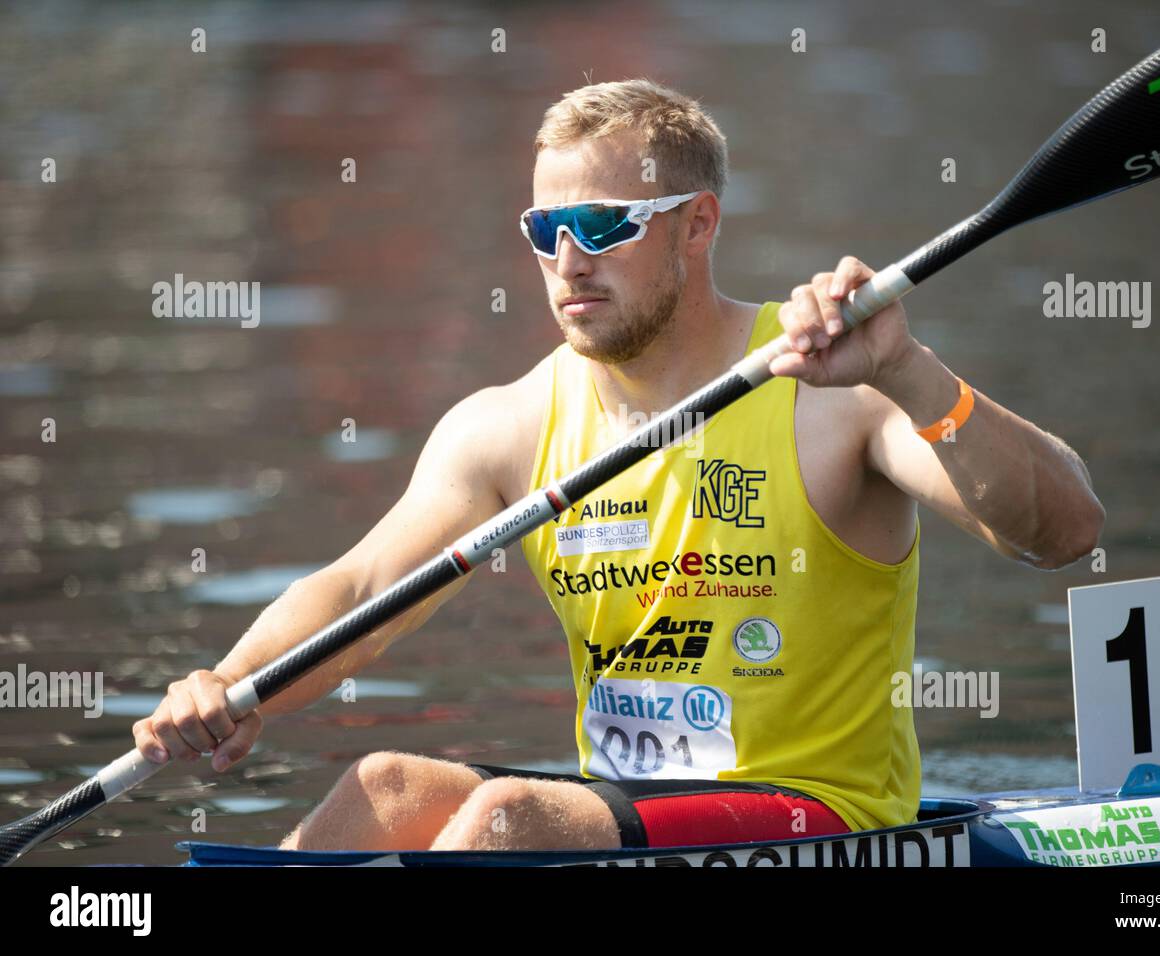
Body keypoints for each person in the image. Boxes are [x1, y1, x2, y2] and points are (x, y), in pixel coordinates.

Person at [134, 78, 1104, 852]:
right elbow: (360, 586)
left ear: (698, 222)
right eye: (544, 231)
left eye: (601, 225)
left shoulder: (834, 389)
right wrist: (226, 685)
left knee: (507, 820)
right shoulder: (506, 425)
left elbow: (1063, 531)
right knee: (382, 785)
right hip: (629, 810)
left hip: (826, 815)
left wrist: (908, 369)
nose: (567, 258)